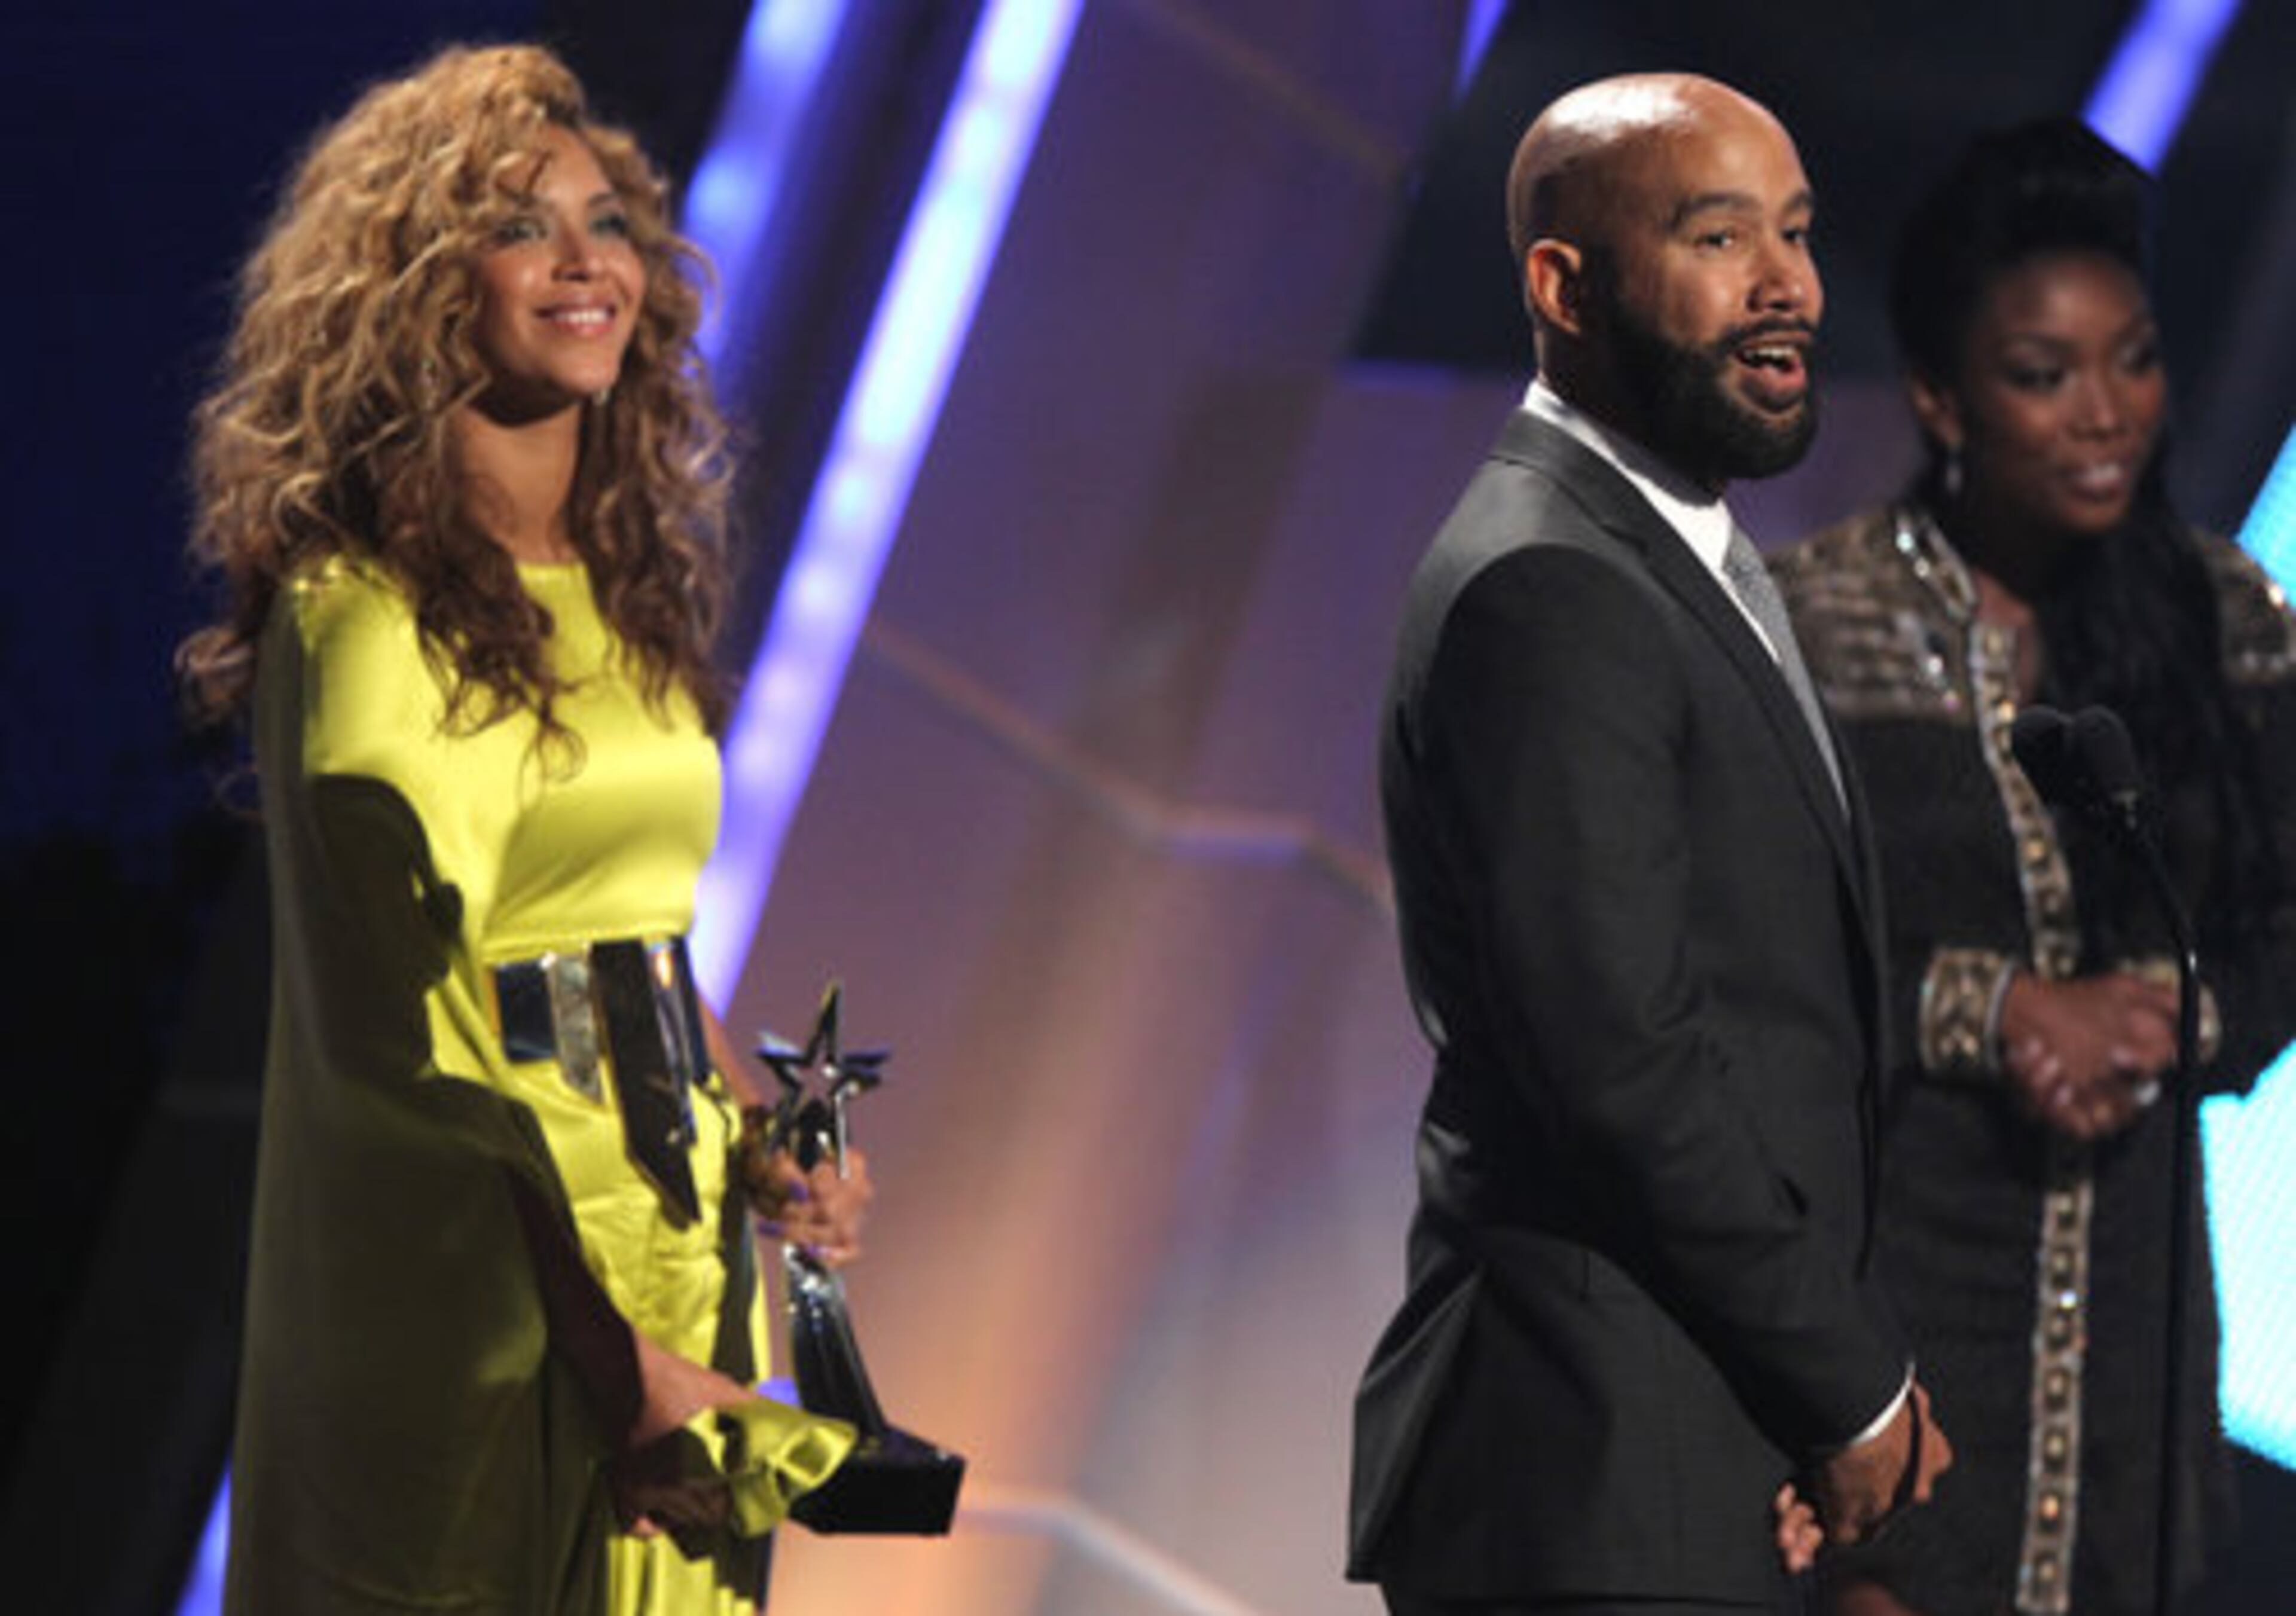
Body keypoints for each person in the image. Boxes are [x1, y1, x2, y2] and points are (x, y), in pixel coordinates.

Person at [178, 44, 872, 1614]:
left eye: (606, 224)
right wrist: (616, 1366)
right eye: (519, 227)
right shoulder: (359, 621)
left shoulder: (627, 600)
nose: (584, 262)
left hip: (679, 1271)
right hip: (498, 1308)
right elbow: (411, 1049)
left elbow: (623, 943)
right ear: (420, 289)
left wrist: (768, 1140)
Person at [1345, 72, 1950, 1615]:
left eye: (1798, 233)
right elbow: (1625, 1058)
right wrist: (1850, 1386)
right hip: (1592, 1467)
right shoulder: (1551, 584)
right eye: (1720, 237)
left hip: (1680, 1447)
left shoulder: (1668, 552)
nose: (1789, 285)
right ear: (1565, 286)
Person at [1773, 119, 2296, 1616]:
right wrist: (1992, 1010)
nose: (2104, 413)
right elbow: (1738, 978)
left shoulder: (2226, 626)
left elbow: (2283, 924)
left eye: (2134, 360)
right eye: (2043, 374)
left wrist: (2170, 1014)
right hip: (1888, 1311)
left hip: (2131, 1340)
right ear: (1942, 396)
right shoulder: (1821, 628)